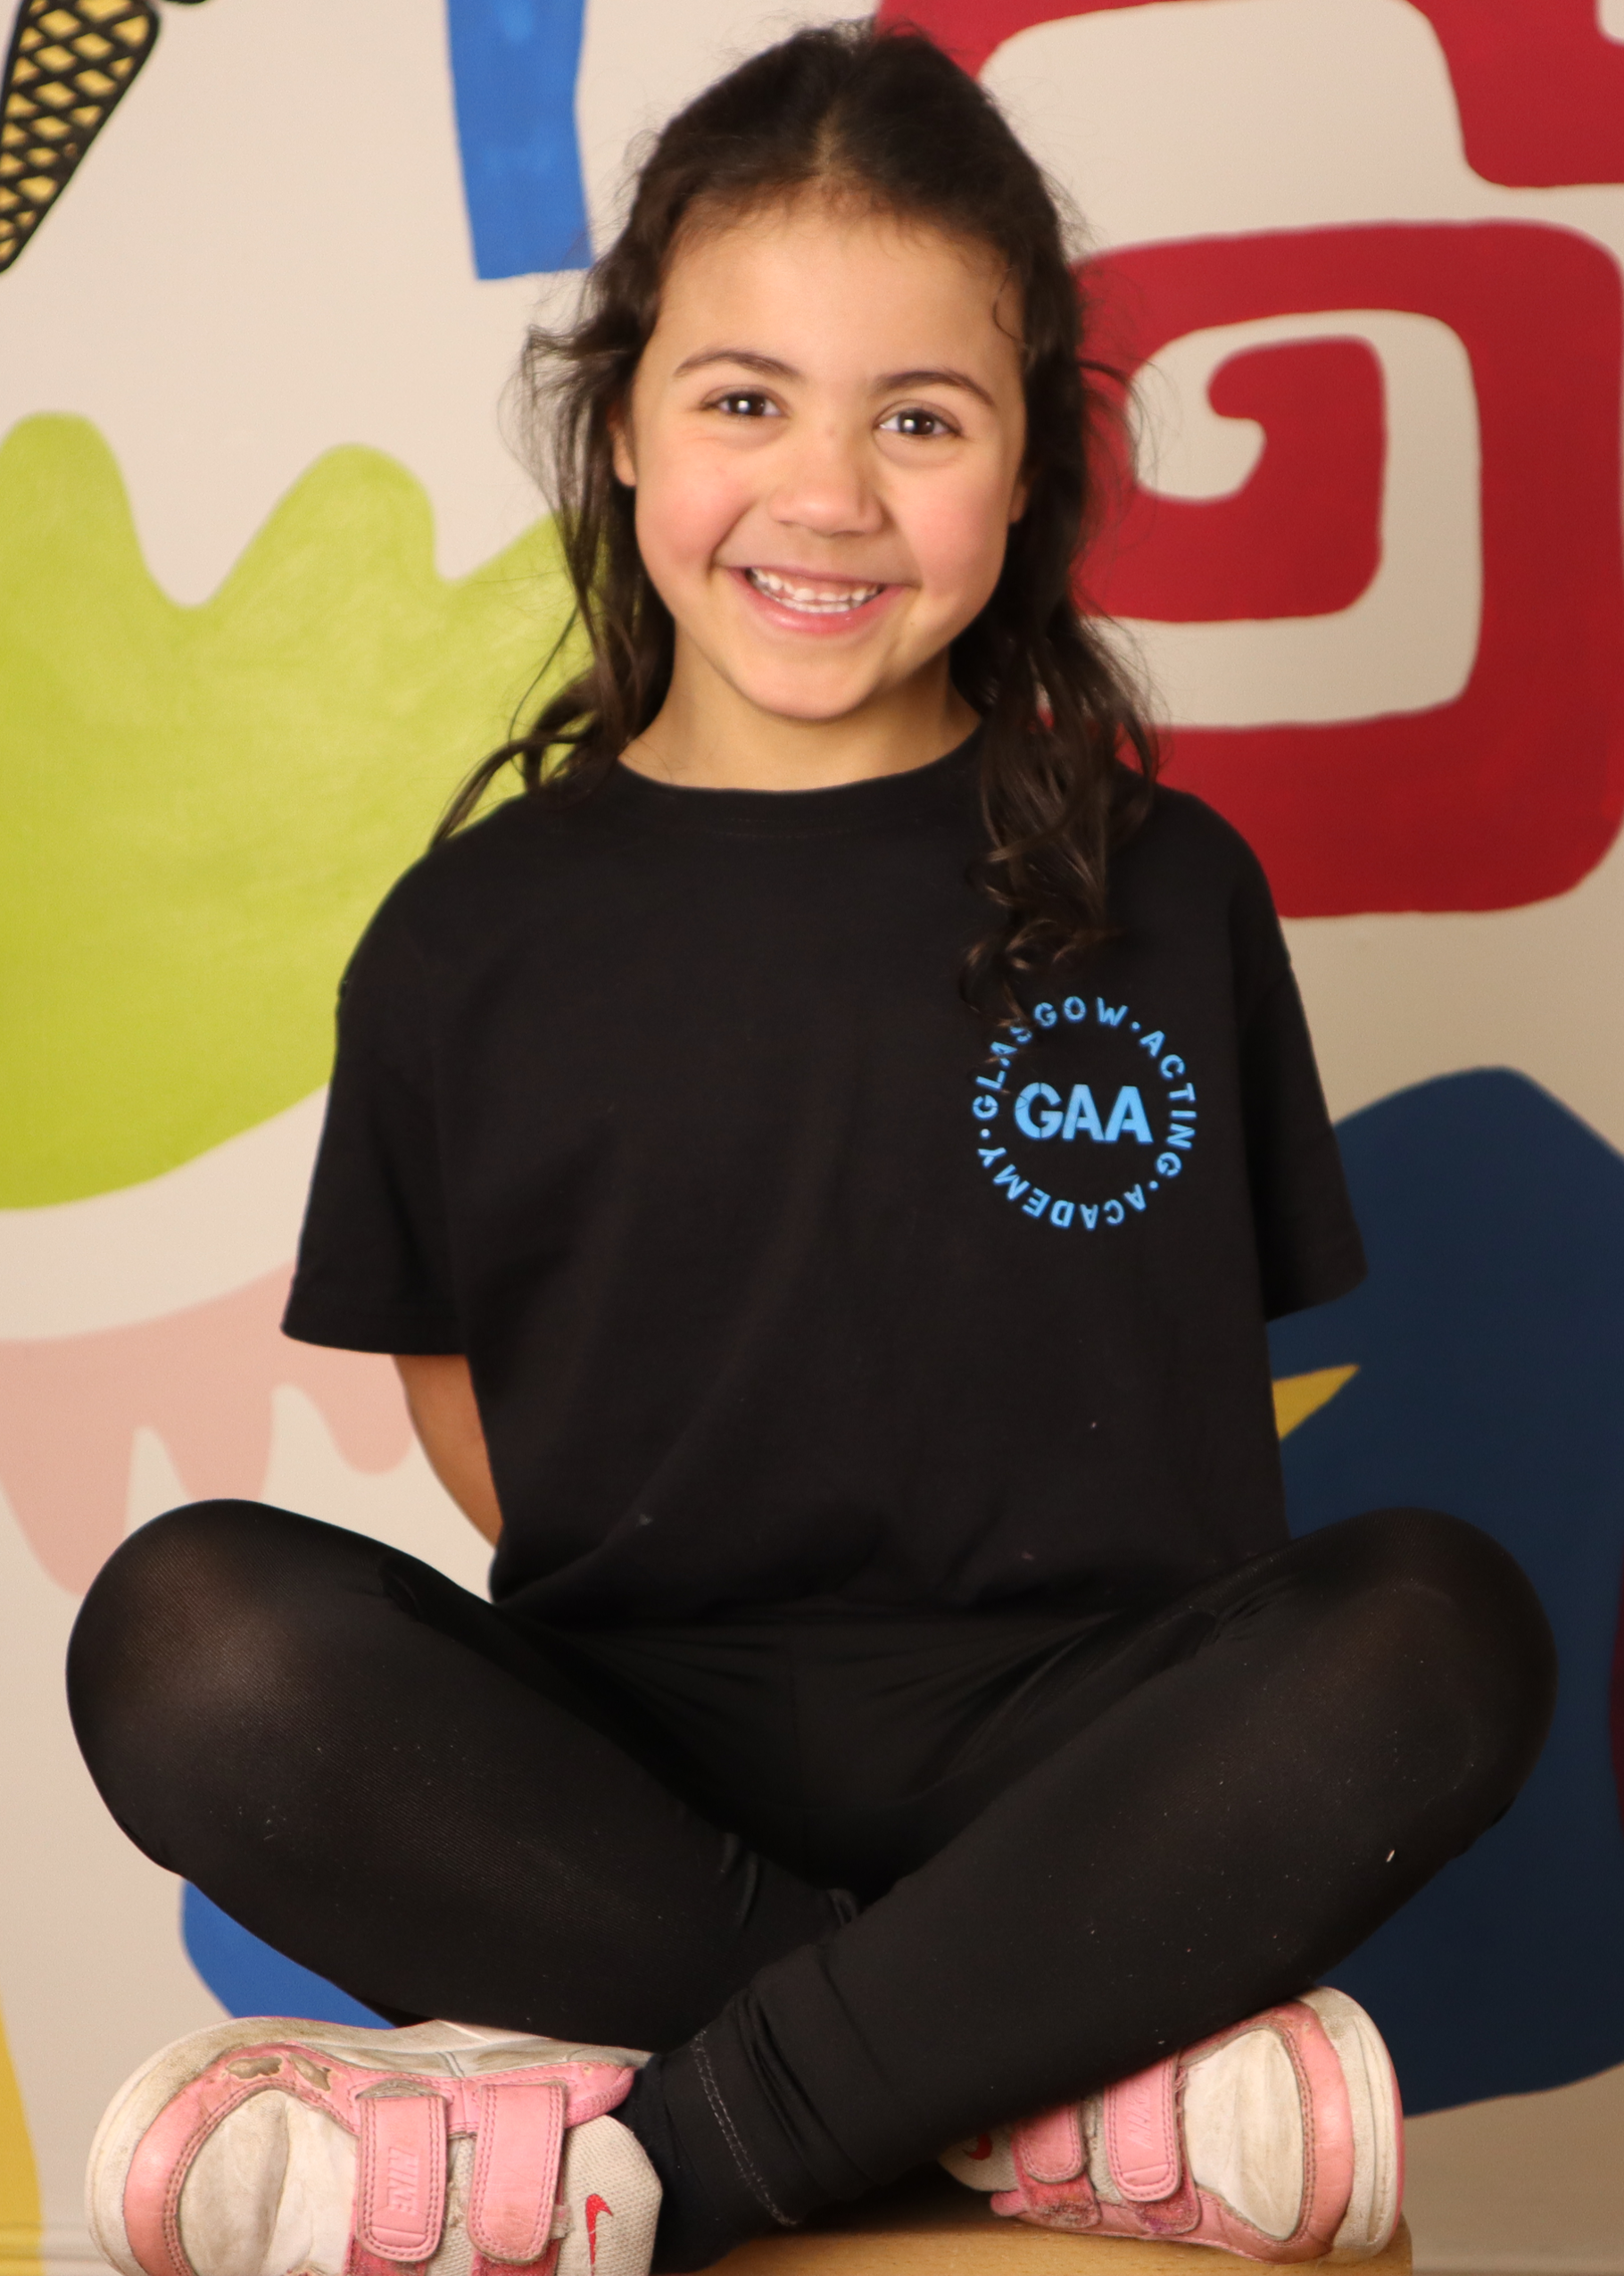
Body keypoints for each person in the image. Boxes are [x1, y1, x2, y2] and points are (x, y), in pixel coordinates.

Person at [68, 24, 1555, 2276]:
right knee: (184, 1638)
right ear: (628, 416)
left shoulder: (1169, 893)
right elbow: (467, 1398)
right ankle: (1020, 2079)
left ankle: (679, 2119)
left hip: (1082, 1773)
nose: (827, 494)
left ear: (1033, 460)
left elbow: (1185, 1351)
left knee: (1442, 1620)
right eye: (745, 398)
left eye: (920, 420)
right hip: (633, 1772)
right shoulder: (475, 935)